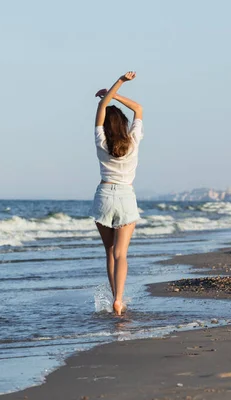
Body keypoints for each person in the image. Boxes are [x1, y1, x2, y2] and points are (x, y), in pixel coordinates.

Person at [90, 71, 143, 316]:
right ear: (123, 125)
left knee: (109, 252)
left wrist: (110, 93)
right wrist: (120, 90)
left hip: (104, 195)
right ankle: (119, 299)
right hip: (126, 197)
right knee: (122, 254)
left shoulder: (101, 141)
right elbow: (139, 109)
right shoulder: (132, 140)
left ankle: (114, 297)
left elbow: (102, 107)